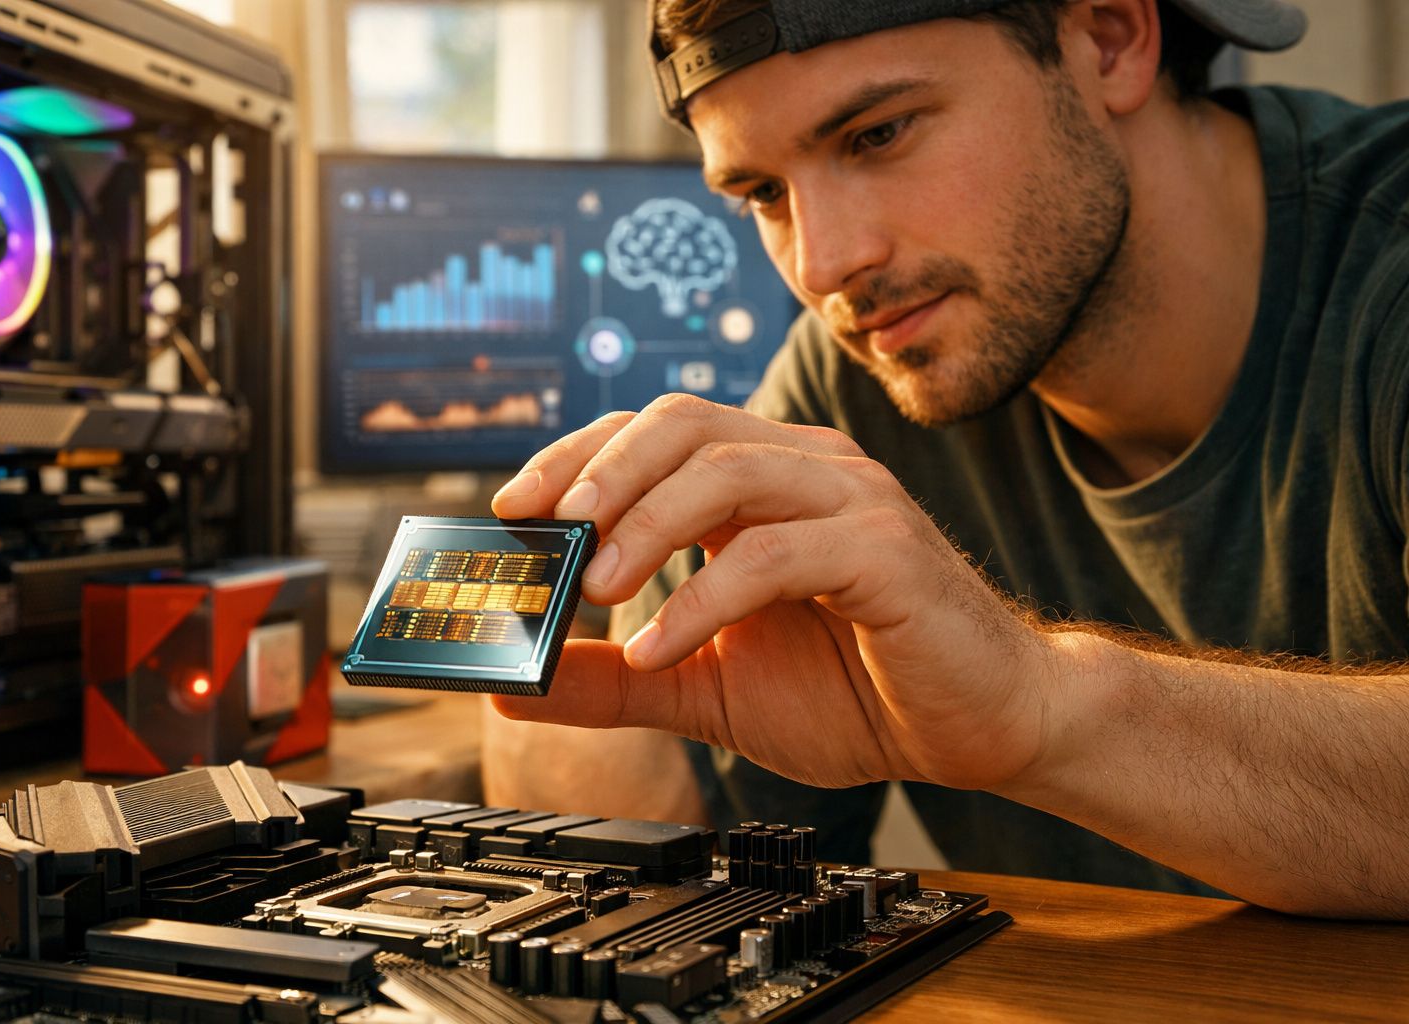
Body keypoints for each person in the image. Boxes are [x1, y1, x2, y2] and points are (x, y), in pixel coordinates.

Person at [482, 0, 1409, 919]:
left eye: (879, 133)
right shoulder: (858, 382)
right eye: (764, 193)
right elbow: (643, 851)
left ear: (1109, 39)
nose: (826, 264)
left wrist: (1039, 706)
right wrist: (560, 658)